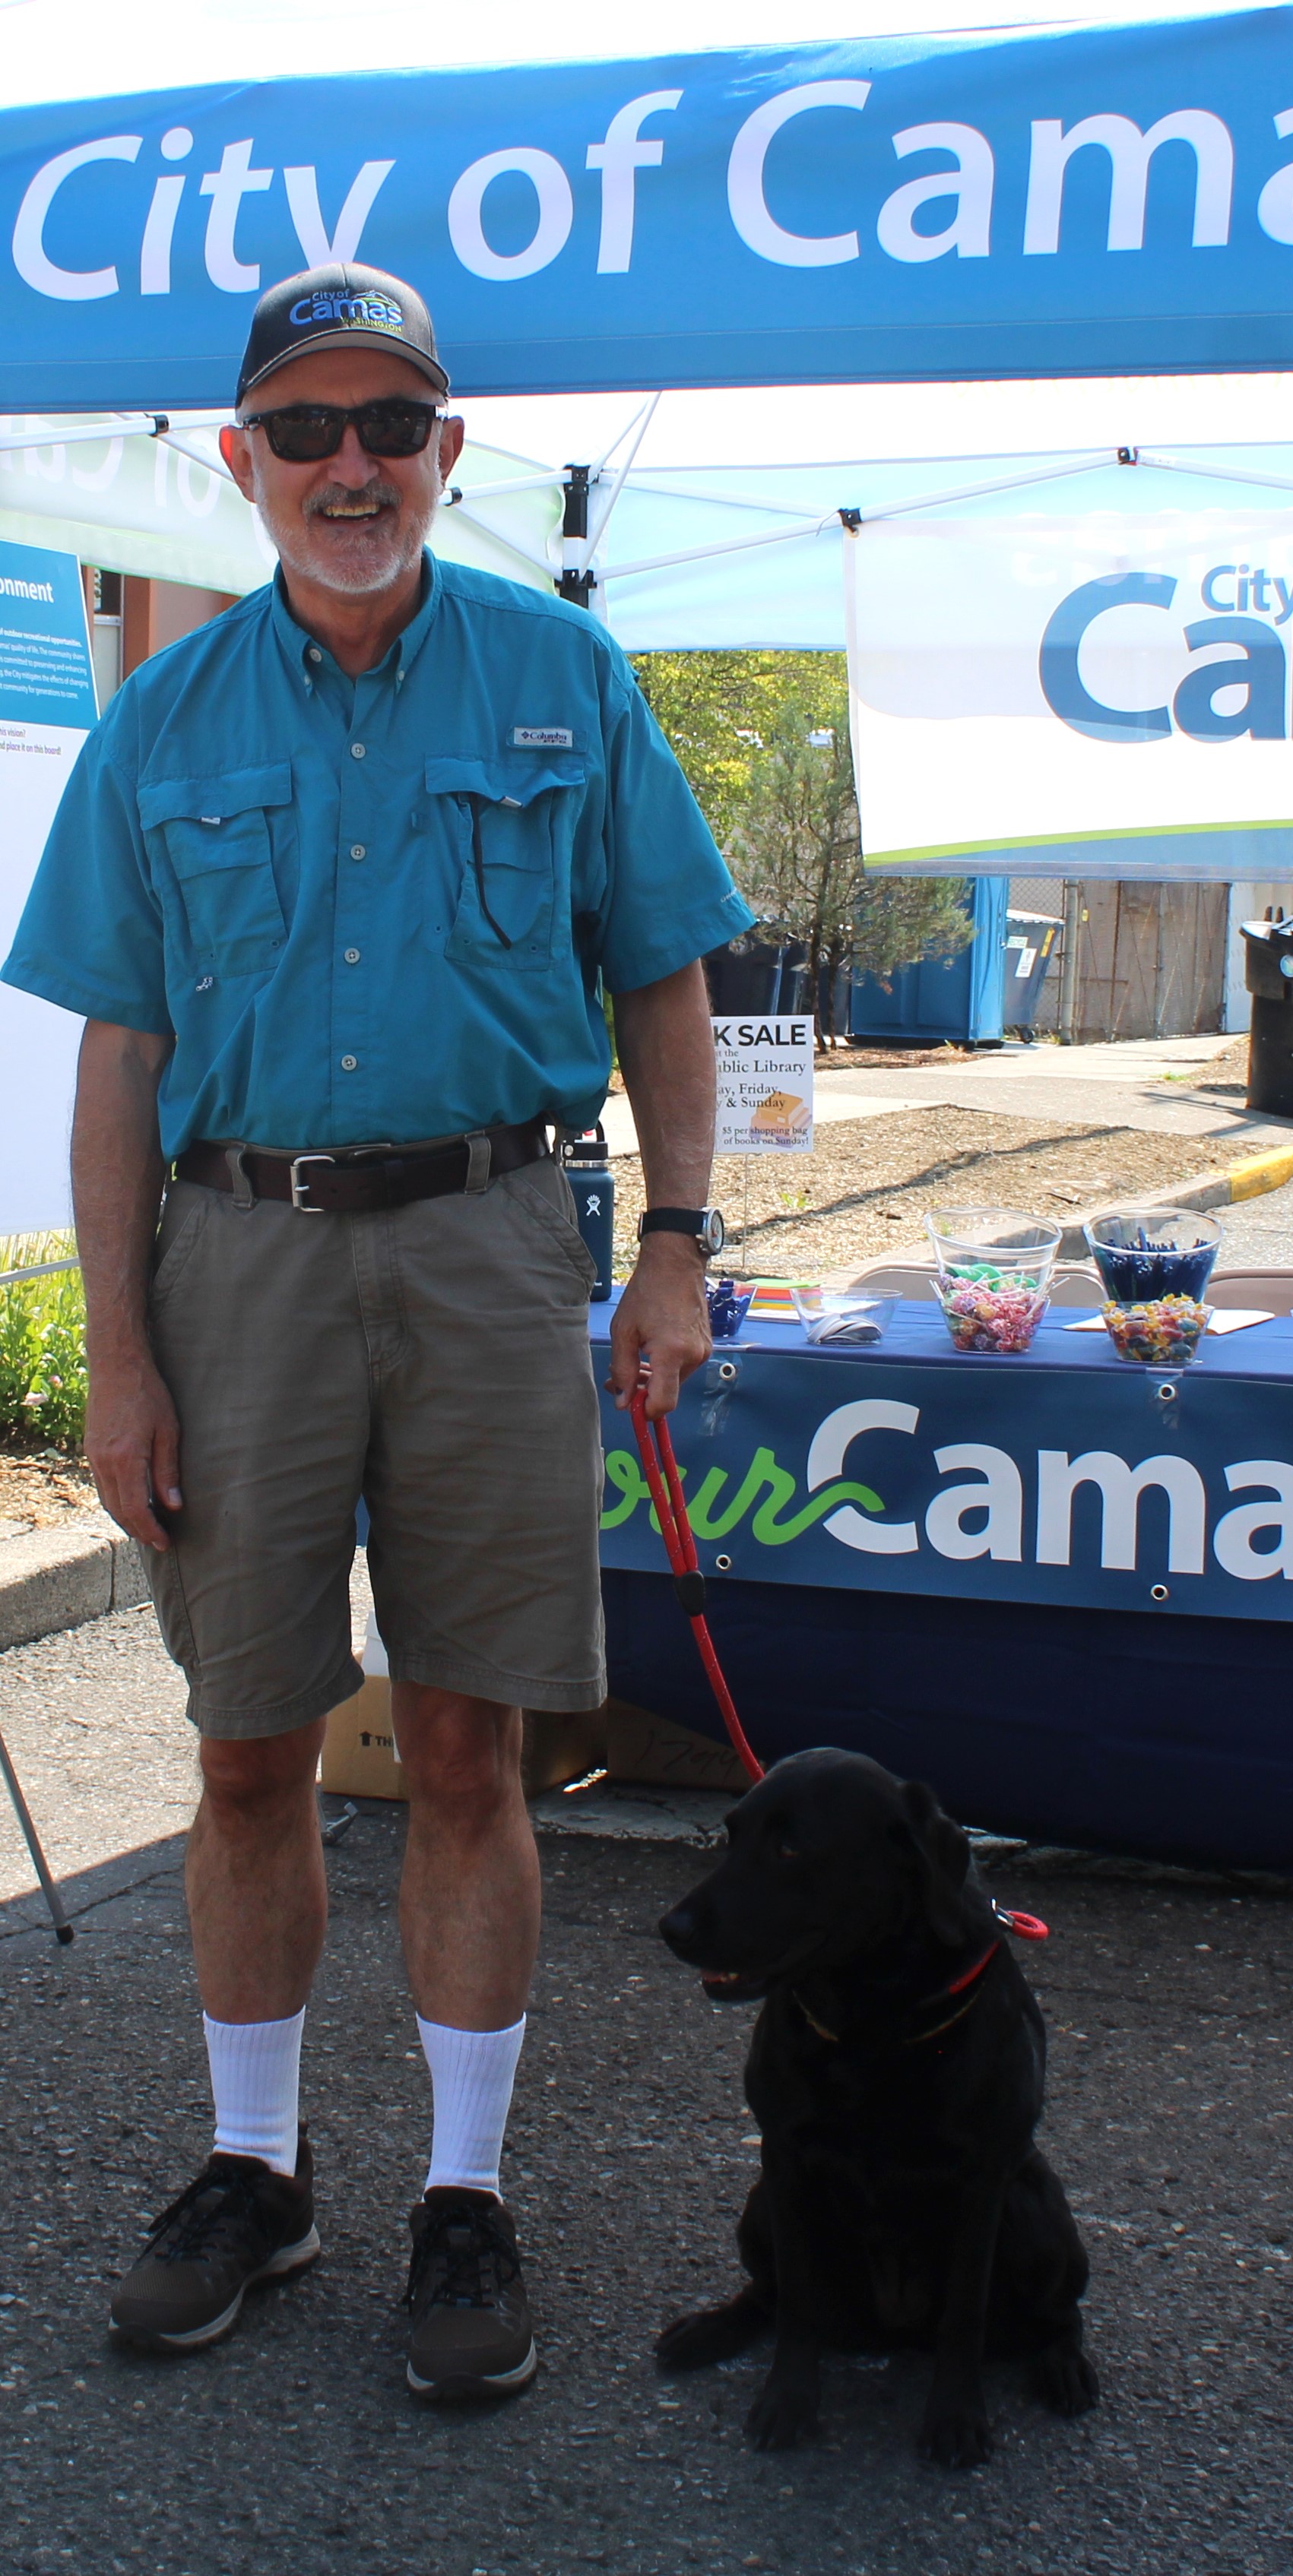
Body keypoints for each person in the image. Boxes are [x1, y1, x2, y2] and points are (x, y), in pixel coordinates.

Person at [1, 262, 751, 2399]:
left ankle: (464, 2195)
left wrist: (679, 1245)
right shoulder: (167, 719)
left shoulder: (563, 673)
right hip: (232, 1264)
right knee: (244, 1741)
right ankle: (260, 2170)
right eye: (307, 432)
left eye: (391, 429)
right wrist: (122, 1355)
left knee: (466, 1740)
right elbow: (118, 1060)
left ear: (447, 454)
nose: (352, 467)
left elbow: (668, 979)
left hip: (494, 1241)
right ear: (241, 465)